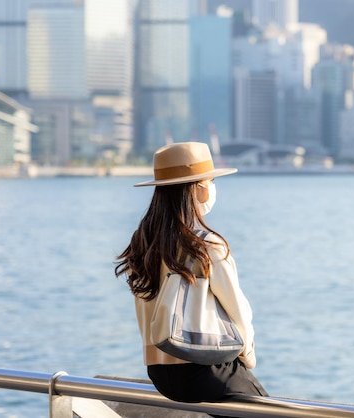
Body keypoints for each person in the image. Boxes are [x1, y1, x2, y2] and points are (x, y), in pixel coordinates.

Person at [115, 142, 268, 406]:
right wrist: (248, 358)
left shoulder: (143, 242)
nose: (212, 189)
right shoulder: (206, 245)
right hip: (203, 368)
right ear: (199, 191)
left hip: (160, 373)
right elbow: (239, 313)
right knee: (274, 412)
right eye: (209, 182)